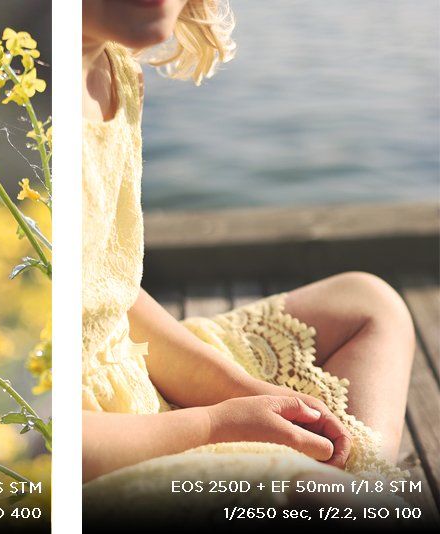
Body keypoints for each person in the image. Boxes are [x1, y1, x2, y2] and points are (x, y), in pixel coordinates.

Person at [81, 0, 415, 513]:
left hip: (127, 368)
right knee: (321, 495)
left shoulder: (117, 71)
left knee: (369, 303)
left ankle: (353, 485)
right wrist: (217, 424)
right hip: (83, 444)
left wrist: (243, 392)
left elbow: (111, 291)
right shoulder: (8, 122)